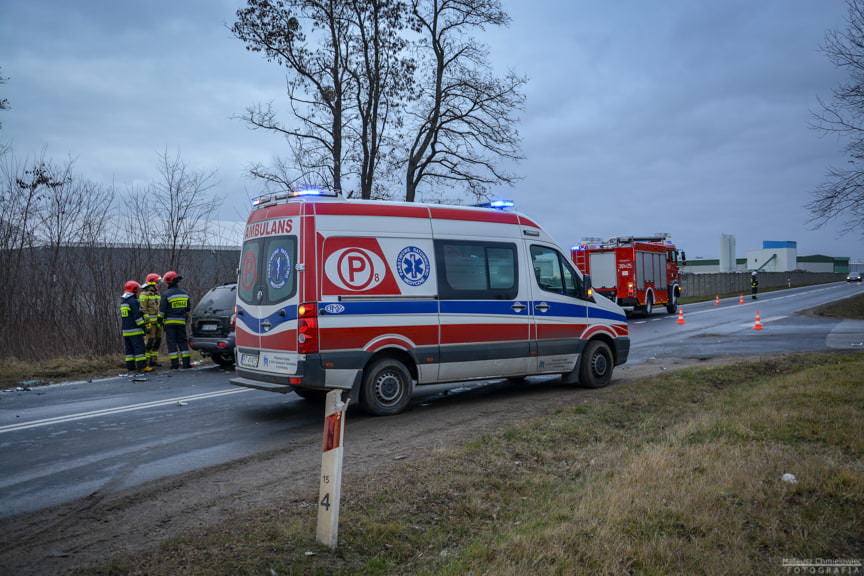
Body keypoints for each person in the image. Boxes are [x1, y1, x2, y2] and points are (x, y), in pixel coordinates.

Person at [159, 270, 191, 369]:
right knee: (182, 342)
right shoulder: (185, 294)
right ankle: (186, 364)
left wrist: (159, 322)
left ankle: (175, 365)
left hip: (170, 323)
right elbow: (188, 309)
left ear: (168, 282)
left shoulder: (166, 294)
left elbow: (162, 311)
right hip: (181, 322)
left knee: (172, 343)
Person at [119, 280, 150, 373]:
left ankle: (130, 367)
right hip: (135, 330)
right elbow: (137, 317)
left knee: (129, 351)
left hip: (126, 331)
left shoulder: (124, 302)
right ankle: (142, 366)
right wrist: (143, 327)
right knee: (139, 348)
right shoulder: (133, 302)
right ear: (135, 290)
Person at [140, 273, 163, 367]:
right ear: (151, 283)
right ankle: (146, 362)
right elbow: (143, 310)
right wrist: (147, 323)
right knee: (149, 341)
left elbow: (160, 308)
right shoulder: (144, 294)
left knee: (158, 340)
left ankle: (154, 360)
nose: (158, 284)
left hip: (158, 323)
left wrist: (161, 321)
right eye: (157, 282)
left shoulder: (157, 294)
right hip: (150, 324)